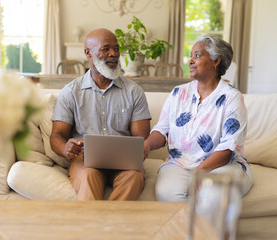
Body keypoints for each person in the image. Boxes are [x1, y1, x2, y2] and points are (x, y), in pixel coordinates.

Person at [144, 36, 253, 202]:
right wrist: (147, 144)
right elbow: (162, 130)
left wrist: (199, 172)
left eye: (197, 55)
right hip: (181, 163)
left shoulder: (231, 98)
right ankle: (186, 228)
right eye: (191, 56)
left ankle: (205, 228)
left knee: (212, 194)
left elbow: (227, 148)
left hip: (223, 166)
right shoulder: (178, 93)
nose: (190, 61)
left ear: (216, 61)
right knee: (167, 193)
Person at [50, 28, 151, 201]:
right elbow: (57, 136)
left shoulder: (134, 91)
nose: (113, 54)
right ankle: (95, 226)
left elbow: (141, 139)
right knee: (88, 176)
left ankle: (109, 226)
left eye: (116, 49)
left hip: (124, 162)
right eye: (106, 49)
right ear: (88, 53)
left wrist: (141, 150)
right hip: (85, 160)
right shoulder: (71, 92)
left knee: (134, 176)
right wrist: (64, 148)